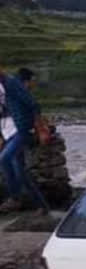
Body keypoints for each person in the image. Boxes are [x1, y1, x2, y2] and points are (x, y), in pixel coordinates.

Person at [0, 67, 49, 214]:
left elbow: (32, 104)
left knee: (4, 159)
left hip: (21, 129)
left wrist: (40, 129)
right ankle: (42, 206)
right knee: (20, 171)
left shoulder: (11, 83)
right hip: (6, 132)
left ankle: (15, 198)